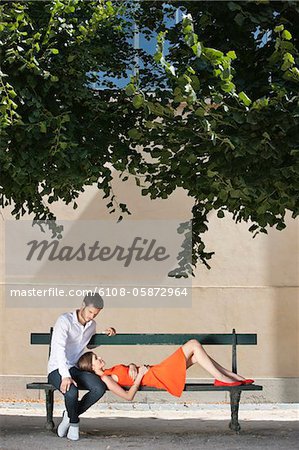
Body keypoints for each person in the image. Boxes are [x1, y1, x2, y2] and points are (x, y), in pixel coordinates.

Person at [77, 339, 254, 401]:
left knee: (196, 355)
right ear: (92, 368)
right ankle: (225, 378)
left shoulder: (109, 370)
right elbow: (128, 396)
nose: (100, 358)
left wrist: (132, 365)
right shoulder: (106, 379)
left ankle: (229, 376)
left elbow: (127, 371)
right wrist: (140, 376)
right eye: (96, 359)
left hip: (155, 370)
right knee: (193, 344)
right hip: (156, 375)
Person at [48, 293, 116, 441]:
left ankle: (70, 414)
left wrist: (105, 334)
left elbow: (89, 343)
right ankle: (74, 423)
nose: (92, 316)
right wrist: (65, 376)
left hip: (75, 368)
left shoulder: (92, 325)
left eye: (96, 314)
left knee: (99, 388)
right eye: (90, 312)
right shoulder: (64, 321)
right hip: (57, 368)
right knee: (71, 392)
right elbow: (59, 349)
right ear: (82, 305)